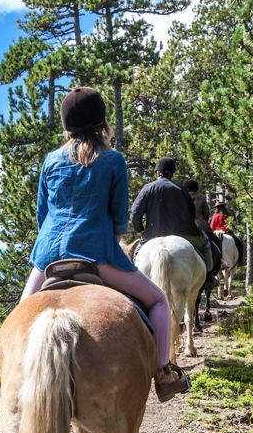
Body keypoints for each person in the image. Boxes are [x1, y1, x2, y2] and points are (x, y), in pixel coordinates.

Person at [20, 87, 189, 402]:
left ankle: (9, 380)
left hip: (47, 257)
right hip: (97, 254)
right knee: (158, 302)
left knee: (17, 320)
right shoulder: (112, 160)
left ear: (67, 125)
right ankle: (164, 374)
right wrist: (110, 244)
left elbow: (42, 218)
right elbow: (118, 221)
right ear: (102, 123)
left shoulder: (50, 160)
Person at [130, 157, 212, 273]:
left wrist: (140, 229)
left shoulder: (148, 188)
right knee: (206, 244)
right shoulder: (182, 190)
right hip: (184, 235)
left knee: (136, 257)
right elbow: (191, 215)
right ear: (172, 174)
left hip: (153, 234)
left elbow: (135, 213)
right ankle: (209, 277)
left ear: (158, 173)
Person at [210, 200, 245, 266]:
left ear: (216, 208)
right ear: (224, 207)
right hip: (228, 232)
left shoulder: (215, 217)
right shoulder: (229, 216)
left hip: (217, 234)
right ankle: (240, 260)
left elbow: (212, 227)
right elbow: (232, 225)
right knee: (240, 244)